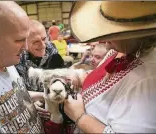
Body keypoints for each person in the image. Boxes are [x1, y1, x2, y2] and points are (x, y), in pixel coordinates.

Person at [63, 1, 156, 133]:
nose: (106, 44)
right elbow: (107, 80)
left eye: (113, 35)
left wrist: (79, 116)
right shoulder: (123, 50)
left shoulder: (148, 78)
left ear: (137, 35)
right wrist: (82, 76)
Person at [0, 1, 47, 133]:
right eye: (19, 40)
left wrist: (28, 105)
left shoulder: (5, 59)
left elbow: (8, 94)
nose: (26, 47)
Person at [16, 20, 64, 91]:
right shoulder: (18, 56)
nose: (43, 45)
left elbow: (58, 74)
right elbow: (22, 89)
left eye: (44, 39)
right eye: (36, 42)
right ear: (25, 42)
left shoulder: (51, 47)